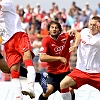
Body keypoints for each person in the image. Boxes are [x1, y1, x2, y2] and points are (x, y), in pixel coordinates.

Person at [0, 0, 36, 100]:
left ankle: (31, 88)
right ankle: (18, 97)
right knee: (13, 70)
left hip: (18, 35)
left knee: (27, 59)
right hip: (7, 42)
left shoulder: (7, 2)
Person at [38, 21, 80, 100]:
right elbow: (42, 57)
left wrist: (75, 45)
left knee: (70, 89)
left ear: (59, 30)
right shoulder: (46, 40)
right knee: (47, 91)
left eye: (56, 28)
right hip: (52, 74)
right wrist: (59, 58)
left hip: (65, 73)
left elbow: (78, 35)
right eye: (52, 27)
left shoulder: (65, 36)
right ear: (49, 30)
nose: (54, 29)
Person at [60, 16, 100, 99]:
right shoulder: (85, 31)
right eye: (90, 24)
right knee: (63, 84)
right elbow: (78, 34)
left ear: (98, 26)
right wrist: (75, 45)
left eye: (94, 25)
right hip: (80, 70)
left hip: (96, 72)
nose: (91, 27)